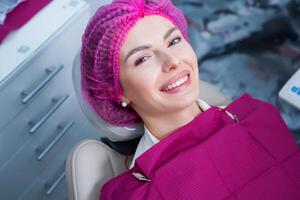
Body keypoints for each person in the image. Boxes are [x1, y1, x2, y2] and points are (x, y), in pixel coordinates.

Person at [80, 0, 300, 199]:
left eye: (174, 41)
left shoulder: (261, 118)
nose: (172, 61)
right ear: (117, 91)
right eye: (143, 58)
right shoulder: (136, 194)